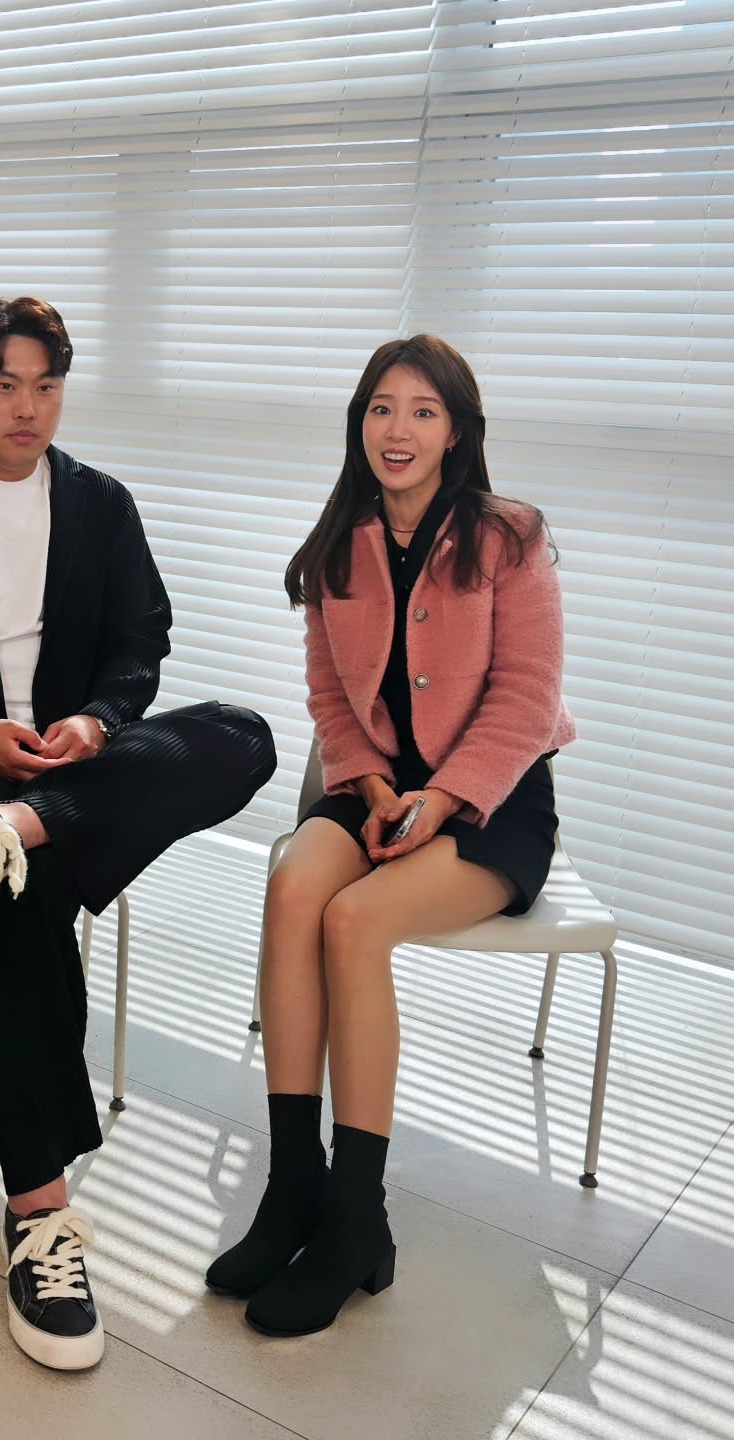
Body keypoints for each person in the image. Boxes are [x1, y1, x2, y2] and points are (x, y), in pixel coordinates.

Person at [0, 296, 276, 1371]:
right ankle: (40, 1216)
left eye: (47, 386)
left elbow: (142, 639)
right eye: (4, 384)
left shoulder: (100, 503)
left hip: (60, 775)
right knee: (18, 911)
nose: (27, 408)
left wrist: (97, 723)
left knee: (242, 735)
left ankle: (21, 828)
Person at [206, 334, 576, 1337]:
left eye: (422, 409)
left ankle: (355, 1219)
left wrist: (440, 802)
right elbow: (332, 698)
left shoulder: (510, 538)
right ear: (359, 425)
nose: (397, 429)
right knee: (294, 887)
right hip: (376, 786)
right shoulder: (341, 543)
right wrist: (371, 787)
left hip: (493, 803)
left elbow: (526, 700)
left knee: (354, 921)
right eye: (381, 408)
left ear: (457, 431)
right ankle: (293, 1185)